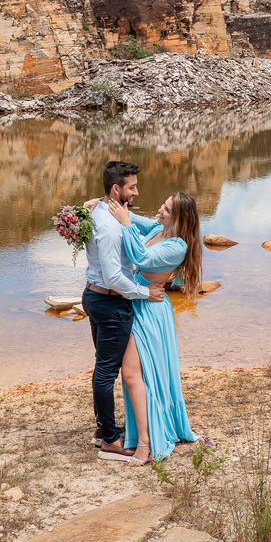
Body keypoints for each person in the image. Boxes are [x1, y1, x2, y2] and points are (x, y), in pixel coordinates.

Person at [96, 191, 202, 466]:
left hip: (151, 310)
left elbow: (141, 257)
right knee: (135, 375)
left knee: (132, 374)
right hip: (139, 301)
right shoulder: (158, 227)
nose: (159, 210)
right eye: (162, 204)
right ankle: (144, 433)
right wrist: (97, 203)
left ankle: (144, 443)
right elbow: (130, 215)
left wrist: (126, 224)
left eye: (166, 209)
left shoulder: (177, 246)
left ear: (179, 218)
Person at [82, 161, 164, 460]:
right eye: (132, 187)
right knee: (106, 371)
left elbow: (156, 226)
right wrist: (146, 293)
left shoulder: (101, 211)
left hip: (95, 297)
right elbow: (115, 276)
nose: (137, 192)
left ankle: (103, 429)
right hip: (110, 301)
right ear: (116, 189)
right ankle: (110, 440)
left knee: (103, 366)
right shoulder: (109, 227)